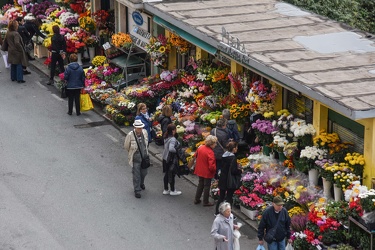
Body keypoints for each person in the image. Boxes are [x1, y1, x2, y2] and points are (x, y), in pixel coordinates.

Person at [215, 141, 242, 215]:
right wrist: (240, 171)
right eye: (236, 148)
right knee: (229, 198)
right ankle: (228, 214)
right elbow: (233, 170)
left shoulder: (224, 156)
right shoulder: (233, 158)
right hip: (229, 180)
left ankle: (217, 212)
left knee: (221, 197)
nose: (237, 149)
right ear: (233, 149)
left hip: (222, 179)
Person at [124, 120, 149, 199]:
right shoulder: (130, 135)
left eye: (141, 128)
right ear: (135, 127)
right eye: (138, 128)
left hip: (144, 156)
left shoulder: (144, 133)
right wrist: (132, 153)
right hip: (136, 157)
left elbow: (146, 144)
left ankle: (141, 183)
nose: (140, 129)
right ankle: (137, 190)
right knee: (136, 174)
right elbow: (126, 146)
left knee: (144, 172)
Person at [162, 124, 187, 196]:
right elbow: (171, 148)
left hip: (165, 158)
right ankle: (172, 190)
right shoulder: (172, 139)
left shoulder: (166, 136)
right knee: (172, 174)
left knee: (166, 174)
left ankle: (166, 189)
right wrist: (177, 151)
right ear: (173, 130)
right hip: (170, 159)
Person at [193, 135, 217, 206]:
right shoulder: (210, 152)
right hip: (207, 172)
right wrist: (214, 171)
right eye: (215, 143)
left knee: (200, 184)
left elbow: (195, 155)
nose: (215, 145)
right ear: (211, 144)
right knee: (207, 186)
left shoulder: (201, 147)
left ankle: (197, 199)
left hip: (200, 169)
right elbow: (212, 166)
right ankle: (205, 202)